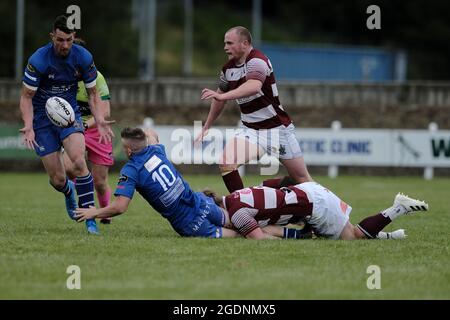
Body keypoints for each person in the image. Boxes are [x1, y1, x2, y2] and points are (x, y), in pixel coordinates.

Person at [19, 15, 114, 234]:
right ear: (52, 36)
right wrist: (29, 125)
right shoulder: (39, 60)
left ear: (74, 37)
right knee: (58, 179)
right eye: (60, 40)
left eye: (69, 40)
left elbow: (92, 93)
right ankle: (68, 191)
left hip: (68, 116)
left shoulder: (83, 57)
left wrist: (99, 119)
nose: (65, 45)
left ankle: (90, 218)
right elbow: (25, 96)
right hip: (42, 120)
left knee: (79, 162)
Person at [196, 26, 312, 193]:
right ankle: (242, 207)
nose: (225, 47)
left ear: (245, 43)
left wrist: (223, 96)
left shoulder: (258, 60)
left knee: (302, 180)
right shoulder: (228, 69)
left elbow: (253, 86)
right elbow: (219, 97)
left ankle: (328, 211)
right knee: (227, 162)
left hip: (277, 129)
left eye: (229, 43)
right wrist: (207, 125)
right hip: (251, 130)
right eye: (224, 43)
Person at [74, 127, 239, 238]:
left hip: (190, 223)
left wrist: (93, 213)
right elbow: (151, 133)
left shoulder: (131, 170)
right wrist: (139, 134)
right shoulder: (156, 150)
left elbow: (120, 207)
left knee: (239, 235)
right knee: (243, 224)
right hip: (203, 204)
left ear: (129, 151)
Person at [203, 182, 428, 240]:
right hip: (308, 193)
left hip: (314, 204)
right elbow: (270, 228)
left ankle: (398, 208)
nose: (221, 224)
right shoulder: (234, 197)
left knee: (353, 237)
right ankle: (391, 236)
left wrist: (242, 233)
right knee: (333, 235)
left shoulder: (238, 213)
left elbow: (259, 237)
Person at [63, 38, 114, 225]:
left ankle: (104, 213)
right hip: (73, 128)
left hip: (96, 129)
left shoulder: (97, 77)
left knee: (100, 182)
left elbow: (105, 111)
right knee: (69, 168)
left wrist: (85, 125)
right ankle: (80, 199)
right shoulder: (62, 77)